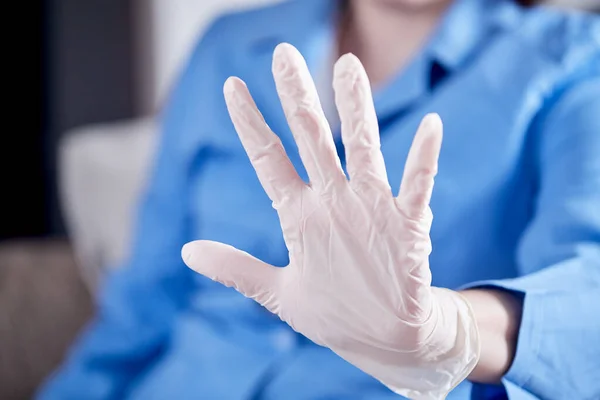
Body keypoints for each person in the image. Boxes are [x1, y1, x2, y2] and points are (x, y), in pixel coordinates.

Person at [39, 0, 600, 399]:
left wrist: (447, 330)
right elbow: (141, 306)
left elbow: (586, 296)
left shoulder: (570, 60)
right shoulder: (227, 47)